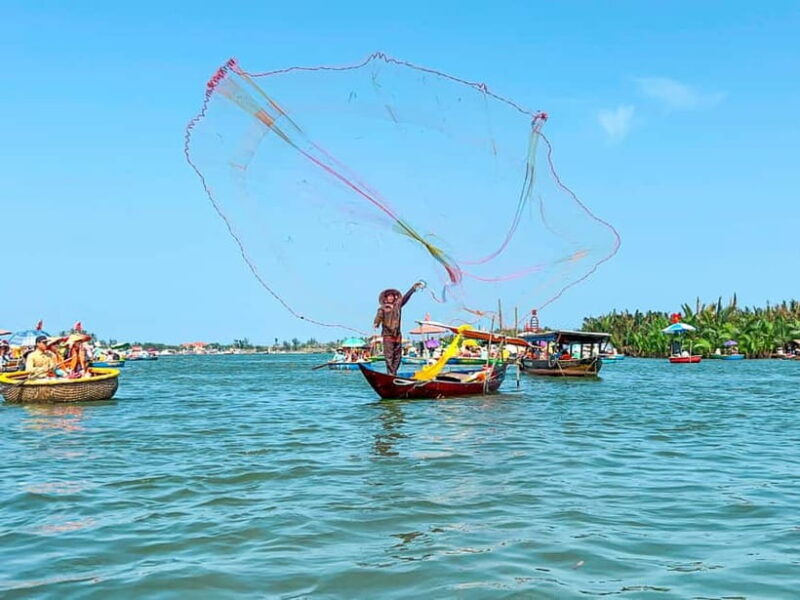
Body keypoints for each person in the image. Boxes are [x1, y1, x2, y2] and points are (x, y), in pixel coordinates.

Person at [373, 282, 424, 375]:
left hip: (397, 335)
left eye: (392, 296)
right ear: (386, 298)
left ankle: (394, 373)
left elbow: (405, 298)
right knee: (389, 356)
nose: (391, 298)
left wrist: (413, 289)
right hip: (388, 335)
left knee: (398, 356)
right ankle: (390, 373)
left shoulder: (397, 306)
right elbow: (378, 318)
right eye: (389, 296)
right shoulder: (382, 309)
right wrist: (376, 323)